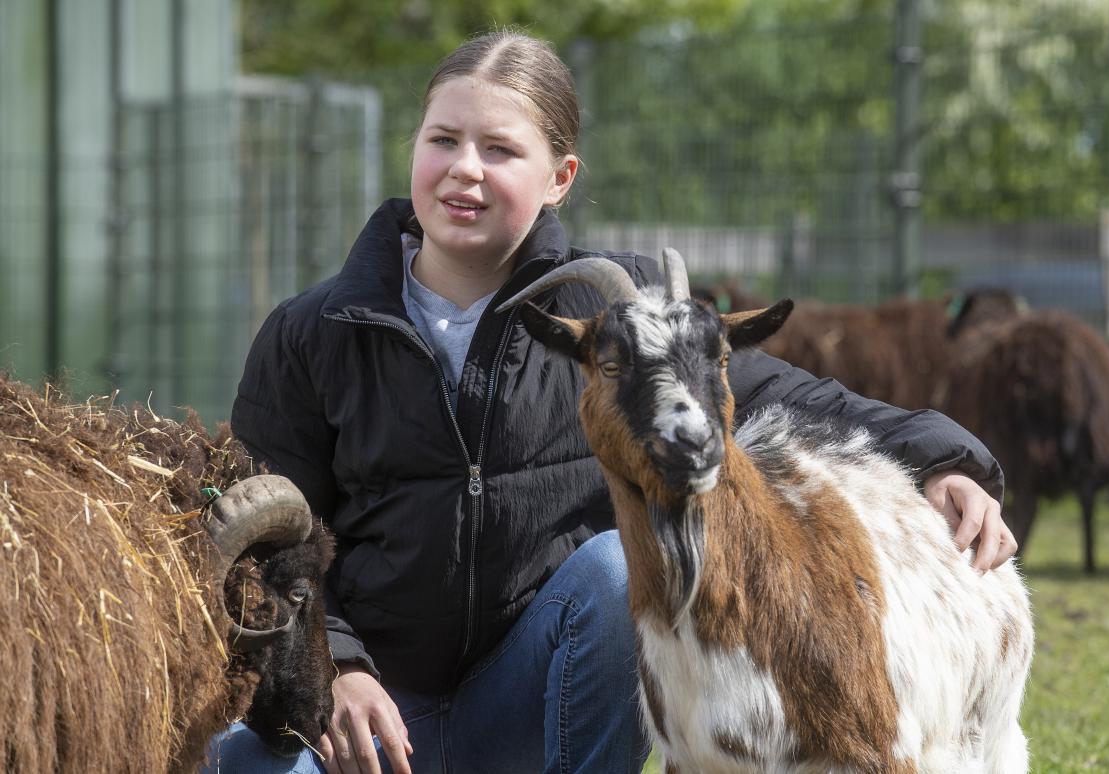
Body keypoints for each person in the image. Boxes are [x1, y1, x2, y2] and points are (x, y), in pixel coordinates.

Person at [206, 29, 1017, 774]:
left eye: (500, 149)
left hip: (534, 706)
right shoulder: (312, 331)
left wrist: (946, 456)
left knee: (607, 569)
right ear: (413, 150)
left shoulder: (623, 326)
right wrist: (339, 667)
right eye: (443, 140)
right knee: (234, 761)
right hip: (367, 723)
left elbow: (797, 397)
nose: (465, 169)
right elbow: (273, 544)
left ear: (559, 178)